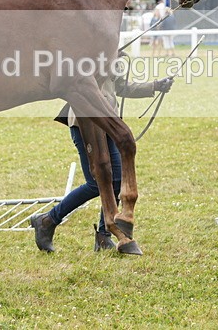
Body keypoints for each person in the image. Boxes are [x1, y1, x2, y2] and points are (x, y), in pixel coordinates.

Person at [30, 63, 173, 253]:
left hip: (108, 124)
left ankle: (104, 235)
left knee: (116, 180)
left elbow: (121, 86)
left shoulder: (112, 58)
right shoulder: (90, 57)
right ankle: (48, 220)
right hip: (84, 123)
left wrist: (154, 86)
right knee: (96, 183)